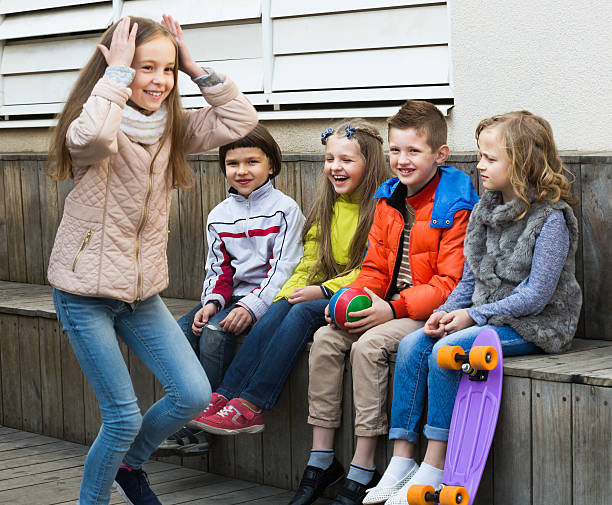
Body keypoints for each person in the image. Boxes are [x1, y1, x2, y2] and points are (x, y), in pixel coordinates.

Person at [47, 15, 258, 505]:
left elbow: (240, 122)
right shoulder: (98, 119)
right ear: (118, 67)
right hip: (84, 294)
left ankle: (129, 464)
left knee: (193, 395)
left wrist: (195, 67)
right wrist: (116, 75)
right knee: (121, 416)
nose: (160, 80)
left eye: (167, 70)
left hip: (140, 294)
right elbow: (92, 139)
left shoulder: (173, 129)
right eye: (148, 67)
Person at [365, 110, 582, 505]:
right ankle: (401, 460)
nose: (479, 165)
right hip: (483, 317)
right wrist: (445, 312)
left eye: (490, 158)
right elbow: (469, 279)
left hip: (536, 325)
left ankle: (434, 466)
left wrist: (473, 316)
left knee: (449, 352)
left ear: (523, 161)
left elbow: (536, 295)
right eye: (480, 156)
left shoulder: (551, 219)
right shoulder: (485, 207)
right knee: (416, 344)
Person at [289, 101, 480, 505]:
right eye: (395, 150)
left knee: (369, 346)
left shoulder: (456, 204)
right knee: (326, 338)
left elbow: (450, 283)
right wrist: (351, 298)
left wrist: (391, 309)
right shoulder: (388, 197)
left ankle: (363, 465)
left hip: (425, 312)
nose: (401, 160)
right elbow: (375, 266)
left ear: (440, 155)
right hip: (386, 303)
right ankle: (321, 458)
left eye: (413, 151)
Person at [187, 119, 389, 436]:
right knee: (281, 307)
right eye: (330, 159)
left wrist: (321, 289)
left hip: (363, 295)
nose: (336, 167)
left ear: (371, 163)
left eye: (346, 160)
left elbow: (374, 269)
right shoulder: (331, 204)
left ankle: (252, 404)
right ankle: (225, 396)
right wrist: (290, 291)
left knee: (301, 312)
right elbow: (310, 258)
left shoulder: (383, 209)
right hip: (326, 290)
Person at [159, 123, 305, 451]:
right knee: (181, 330)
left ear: (272, 165)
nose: (242, 171)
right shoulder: (219, 216)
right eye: (232, 163)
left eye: (252, 162)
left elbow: (283, 270)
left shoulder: (285, 210)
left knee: (213, 332)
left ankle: (200, 424)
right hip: (230, 297)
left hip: (267, 299)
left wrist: (250, 307)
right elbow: (219, 271)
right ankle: (186, 409)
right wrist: (211, 302)